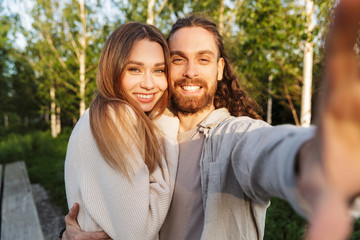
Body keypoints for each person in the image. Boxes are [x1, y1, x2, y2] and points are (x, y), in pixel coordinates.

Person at [62, 2, 360, 239]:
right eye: (178, 59)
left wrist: (310, 156)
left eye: (203, 59)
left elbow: (264, 149)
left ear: (219, 69)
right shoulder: (141, 130)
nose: (191, 71)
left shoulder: (232, 136)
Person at [64, 22, 180, 240]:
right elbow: (138, 233)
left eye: (159, 70)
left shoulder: (97, 114)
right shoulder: (118, 116)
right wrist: (165, 130)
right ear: (113, 69)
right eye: (134, 69)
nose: (149, 83)